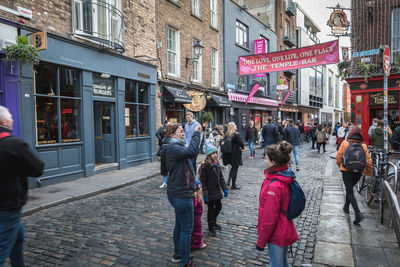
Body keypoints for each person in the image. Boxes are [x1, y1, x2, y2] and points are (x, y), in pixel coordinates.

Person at [0, 105, 45, 266]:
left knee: (18, 238)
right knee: (3, 248)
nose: (12, 118)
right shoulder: (14, 144)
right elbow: (37, 168)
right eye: (10, 116)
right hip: (8, 205)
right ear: (4, 121)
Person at [159, 123, 201, 267]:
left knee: (180, 224)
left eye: (183, 131)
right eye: (180, 131)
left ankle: (177, 254)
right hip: (181, 194)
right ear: (172, 134)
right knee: (187, 229)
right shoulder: (173, 148)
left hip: (177, 191)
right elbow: (192, 151)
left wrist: (194, 182)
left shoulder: (173, 147)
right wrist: (196, 133)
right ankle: (185, 261)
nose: (183, 133)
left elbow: (185, 169)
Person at [256, 141, 299, 267]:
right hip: (284, 228)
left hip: (277, 233)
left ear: (273, 163)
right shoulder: (283, 177)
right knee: (283, 262)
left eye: (266, 158)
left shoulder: (274, 186)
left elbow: (270, 218)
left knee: (277, 264)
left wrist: (261, 241)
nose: (264, 160)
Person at [336, 127, 372, 225]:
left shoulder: (345, 143)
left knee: (349, 191)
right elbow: (368, 161)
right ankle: (346, 207)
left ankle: (357, 213)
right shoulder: (364, 146)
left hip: (346, 171)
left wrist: (341, 166)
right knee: (350, 189)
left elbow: (338, 157)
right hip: (358, 172)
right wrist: (368, 173)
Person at [200, 144, 228, 237]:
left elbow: (221, 178)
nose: (215, 155)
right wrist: (205, 194)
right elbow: (203, 181)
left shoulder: (217, 165)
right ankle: (210, 226)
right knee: (211, 209)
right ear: (209, 155)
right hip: (209, 192)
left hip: (217, 191)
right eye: (213, 153)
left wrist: (225, 189)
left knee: (219, 206)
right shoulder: (204, 166)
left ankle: (214, 221)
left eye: (216, 153)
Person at [222, 122, 244, 190]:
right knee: (235, 168)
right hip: (235, 154)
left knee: (232, 168)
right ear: (232, 127)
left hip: (228, 154)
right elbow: (241, 143)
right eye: (235, 125)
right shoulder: (236, 135)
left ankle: (228, 181)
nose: (236, 126)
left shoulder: (226, 134)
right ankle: (233, 185)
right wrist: (242, 147)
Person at [191, 180, 206, 249]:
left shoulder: (197, 197)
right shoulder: (196, 199)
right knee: (197, 231)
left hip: (197, 217)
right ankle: (197, 243)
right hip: (196, 218)